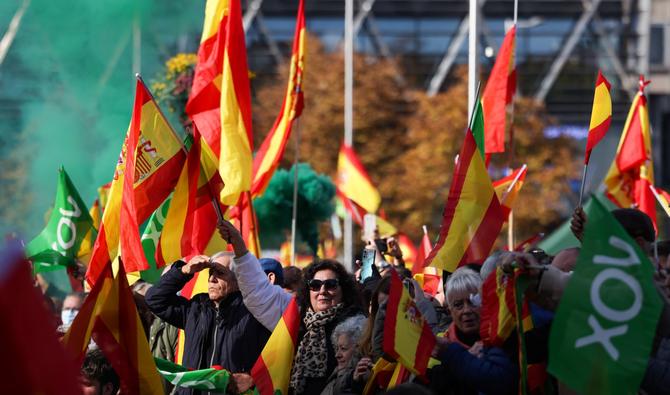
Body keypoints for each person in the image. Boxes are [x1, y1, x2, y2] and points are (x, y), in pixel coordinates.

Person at [217, 219, 364, 395]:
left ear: (344, 288)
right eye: (315, 285)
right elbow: (258, 290)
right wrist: (238, 243)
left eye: (331, 284)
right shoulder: (295, 316)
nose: (322, 291)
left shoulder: (357, 325)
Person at [145, 251, 271, 395]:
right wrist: (185, 270)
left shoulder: (253, 312)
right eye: (210, 273)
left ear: (238, 279)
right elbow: (154, 299)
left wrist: (252, 379)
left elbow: (275, 359)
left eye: (220, 273)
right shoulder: (196, 308)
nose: (212, 279)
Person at [429, 268, 518, 395]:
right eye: (458, 305)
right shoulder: (439, 346)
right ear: (449, 311)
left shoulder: (502, 334)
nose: (466, 310)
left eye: (472, 302)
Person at [320, 315, 367, 395]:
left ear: (359, 348)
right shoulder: (336, 375)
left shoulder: (363, 377)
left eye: (343, 348)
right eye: (337, 348)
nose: (337, 355)